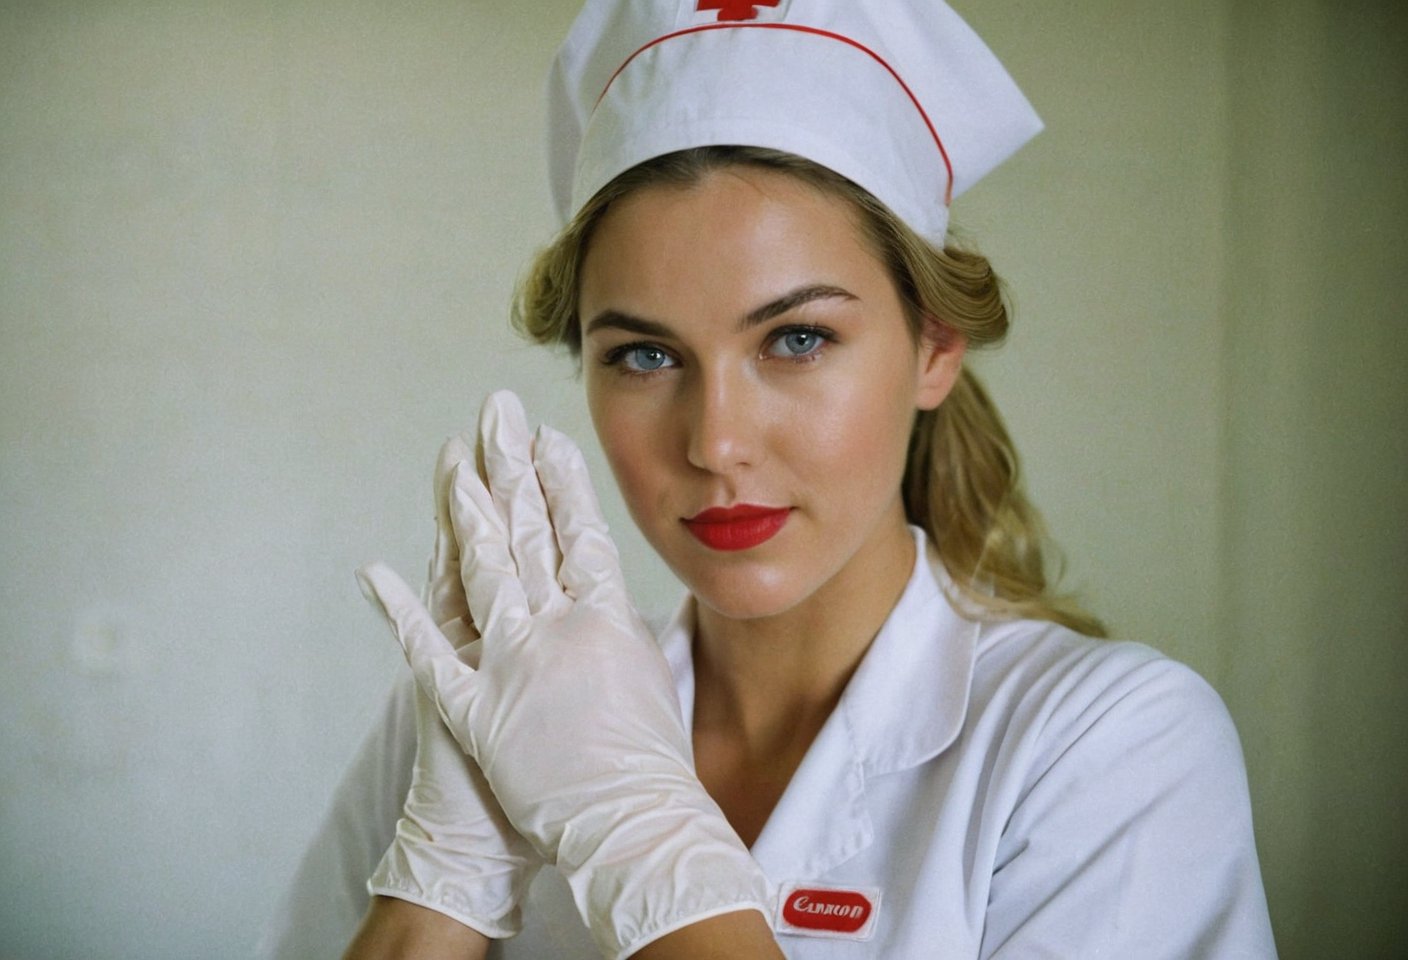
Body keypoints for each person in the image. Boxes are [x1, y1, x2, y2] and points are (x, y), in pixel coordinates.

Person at [261, 1, 1277, 957]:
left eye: (795, 338)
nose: (715, 442)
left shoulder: (1104, 746)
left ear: (932, 347)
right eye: (645, 356)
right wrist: (440, 883)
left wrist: (642, 842)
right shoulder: (479, 723)